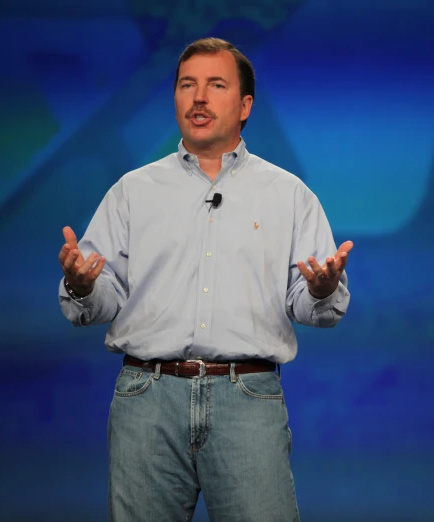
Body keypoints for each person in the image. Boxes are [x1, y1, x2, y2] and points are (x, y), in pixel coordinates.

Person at [57, 37, 352, 521]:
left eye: (216, 85)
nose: (199, 97)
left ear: (245, 106)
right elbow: (96, 300)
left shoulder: (288, 194)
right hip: (146, 400)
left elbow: (315, 304)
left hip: (247, 400)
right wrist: (83, 285)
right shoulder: (133, 191)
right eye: (187, 85)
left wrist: (320, 289)